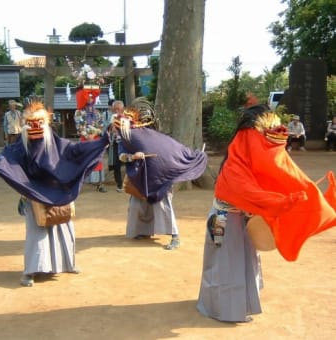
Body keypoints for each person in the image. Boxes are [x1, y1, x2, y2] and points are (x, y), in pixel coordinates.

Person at [197, 104, 336, 323]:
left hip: (244, 219)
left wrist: (308, 194)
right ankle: (221, 309)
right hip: (223, 219)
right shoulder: (235, 165)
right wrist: (284, 202)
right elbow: (250, 193)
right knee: (223, 263)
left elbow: (282, 174)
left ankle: (238, 304)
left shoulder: (248, 154)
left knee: (243, 262)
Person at [0, 98, 111, 286]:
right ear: (24, 124)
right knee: (36, 233)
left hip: (59, 193)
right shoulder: (19, 147)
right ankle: (31, 270)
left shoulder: (59, 144)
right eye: (30, 123)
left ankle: (68, 264)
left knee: (64, 229)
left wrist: (104, 140)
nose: (35, 126)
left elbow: (78, 150)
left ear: (47, 123)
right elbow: (5, 159)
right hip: (34, 196)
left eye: (39, 122)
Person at [115, 98, 207, 250]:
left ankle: (175, 236)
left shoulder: (153, 135)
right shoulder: (126, 137)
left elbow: (171, 149)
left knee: (163, 204)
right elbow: (121, 156)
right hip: (140, 175)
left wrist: (192, 156)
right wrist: (133, 156)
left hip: (159, 175)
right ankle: (144, 231)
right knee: (137, 204)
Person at [74, 94, 107, 192]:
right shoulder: (79, 112)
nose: (90, 99)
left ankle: (99, 184)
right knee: (84, 161)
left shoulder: (97, 112)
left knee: (98, 161)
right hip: (85, 140)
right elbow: (78, 126)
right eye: (88, 97)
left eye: (92, 97)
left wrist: (94, 134)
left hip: (96, 139)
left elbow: (101, 125)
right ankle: (78, 185)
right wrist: (87, 136)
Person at [107, 100, 124, 192]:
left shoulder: (125, 116)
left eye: (116, 108)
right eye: (114, 108)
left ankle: (121, 184)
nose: (114, 110)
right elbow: (112, 129)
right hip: (118, 143)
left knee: (119, 164)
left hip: (123, 143)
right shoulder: (114, 116)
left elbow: (113, 129)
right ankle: (120, 185)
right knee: (117, 165)